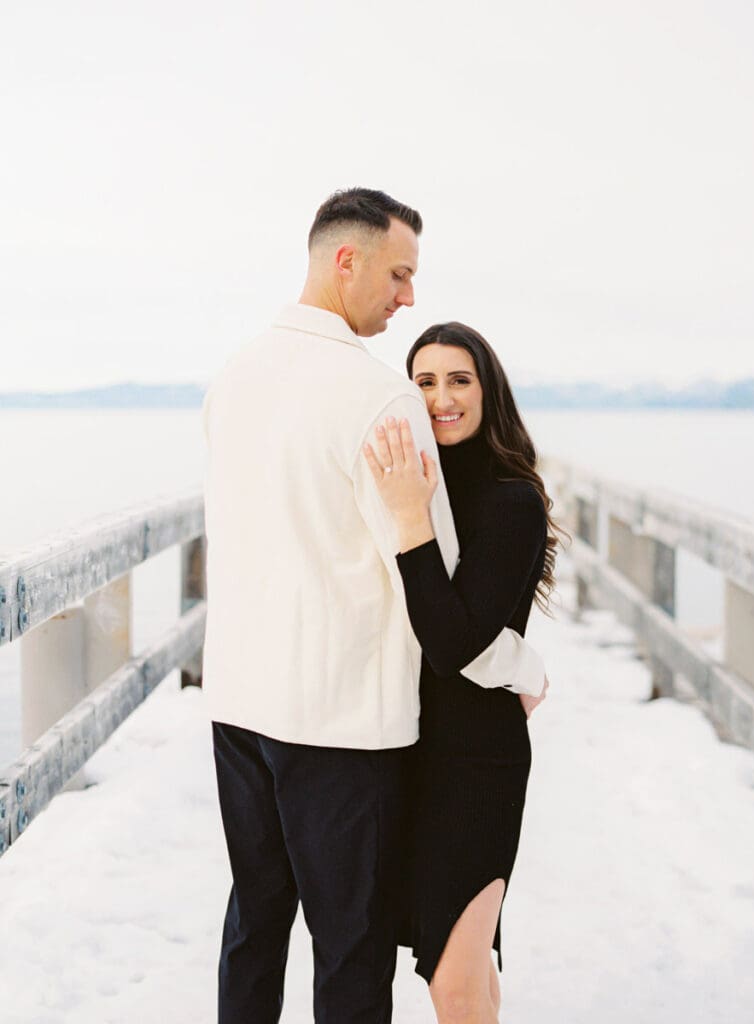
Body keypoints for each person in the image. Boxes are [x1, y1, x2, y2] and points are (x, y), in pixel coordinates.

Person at [201, 188, 547, 1023]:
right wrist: (522, 661)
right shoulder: (378, 398)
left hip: (241, 703)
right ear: (344, 260)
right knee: (350, 943)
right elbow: (440, 585)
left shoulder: (234, 374)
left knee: (254, 923)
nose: (408, 296)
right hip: (340, 721)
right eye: (398, 273)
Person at [364, 321, 559, 1023]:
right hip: (409, 750)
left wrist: (409, 520)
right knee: (459, 968)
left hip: (477, 762)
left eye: (459, 379)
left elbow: (450, 643)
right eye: (424, 381)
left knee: (452, 983)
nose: (441, 397)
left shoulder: (511, 499)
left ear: (488, 390)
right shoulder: (417, 481)